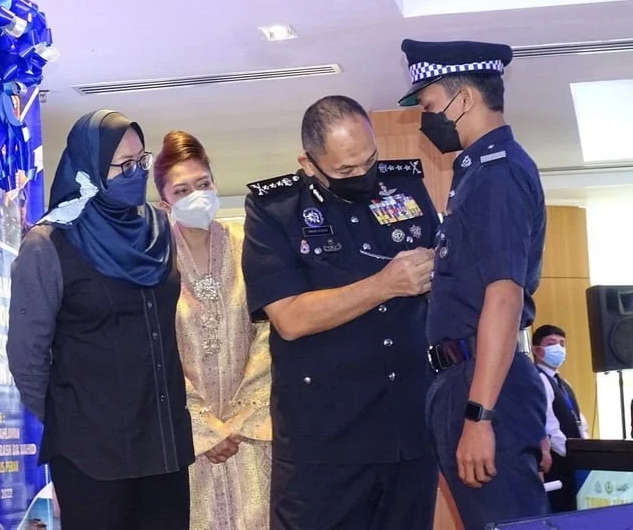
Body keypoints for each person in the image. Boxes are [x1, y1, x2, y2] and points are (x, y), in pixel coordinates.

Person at [242, 95, 438, 530]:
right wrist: (384, 284)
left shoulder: (405, 188)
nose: (364, 177)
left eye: (370, 161)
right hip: (326, 440)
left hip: (407, 429)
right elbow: (290, 318)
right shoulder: (275, 210)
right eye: (346, 171)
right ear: (309, 163)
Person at [7, 110, 194, 530]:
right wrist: (74, 415)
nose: (136, 173)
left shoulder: (158, 229)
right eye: (123, 166)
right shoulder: (49, 243)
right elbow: (26, 357)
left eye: (141, 161)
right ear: (88, 171)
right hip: (92, 454)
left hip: (163, 443)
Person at [398, 39, 549, 528]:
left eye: (429, 105)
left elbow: (503, 298)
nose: (427, 119)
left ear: (463, 99)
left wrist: (481, 416)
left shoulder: (495, 175)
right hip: (474, 378)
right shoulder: (478, 172)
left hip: (479, 383)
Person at [154, 130, 272, 530]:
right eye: (182, 190)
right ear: (164, 202)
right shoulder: (153, 265)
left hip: (252, 435)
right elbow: (155, 353)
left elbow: (269, 332)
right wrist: (203, 429)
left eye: (203, 184)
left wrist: (239, 421)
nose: (197, 196)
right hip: (185, 439)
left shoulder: (249, 247)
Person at [533, 324, 589, 512]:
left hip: (576, 459)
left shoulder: (563, 383)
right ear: (537, 350)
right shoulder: (539, 380)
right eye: (551, 343)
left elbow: (579, 421)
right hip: (558, 461)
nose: (559, 348)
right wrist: (574, 455)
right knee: (562, 508)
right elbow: (550, 427)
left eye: (562, 343)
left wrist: (587, 448)